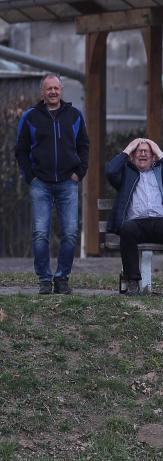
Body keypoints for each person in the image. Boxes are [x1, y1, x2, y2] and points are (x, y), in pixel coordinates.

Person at [15, 73, 89, 295]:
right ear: (42, 92)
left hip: (68, 182)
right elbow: (21, 150)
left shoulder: (74, 115)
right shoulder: (30, 117)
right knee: (40, 233)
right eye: (49, 89)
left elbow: (84, 146)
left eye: (56, 88)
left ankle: (62, 278)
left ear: (61, 90)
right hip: (41, 183)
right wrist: (30, 176)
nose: (53, 92)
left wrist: (79, 172)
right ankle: (44, 280)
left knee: (70, 233)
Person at [105, 138, 163, 297]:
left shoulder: (161, 173)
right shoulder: (126, 175)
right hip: (136, 225)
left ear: (153, 157)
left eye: (146, 151)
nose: (142, 153)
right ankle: (133, 281)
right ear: (132, 157)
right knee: (126, 229)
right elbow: (110, 171)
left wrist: (158, 150)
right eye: (138, 151)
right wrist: (128, 148)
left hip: (161, 223)